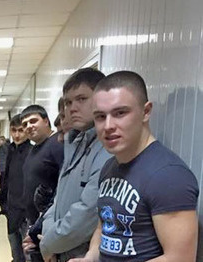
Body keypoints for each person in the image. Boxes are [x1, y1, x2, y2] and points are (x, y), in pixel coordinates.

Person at [69, 71, 199, 262]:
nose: (108, 126)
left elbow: (180, 258)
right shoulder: (109, 167)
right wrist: (91, 257)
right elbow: (104, 227)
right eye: (100, 117)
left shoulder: (168, 175)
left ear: (146, 112)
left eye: (120, 113)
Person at [33, 68, 111, 262]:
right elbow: (59, 200)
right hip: (61, 250)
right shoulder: (75, 143)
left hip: (83, 255)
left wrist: (48, 243)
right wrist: (49, 238)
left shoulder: (108, 148)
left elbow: (88, 213)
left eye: (81, 99)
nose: (72, 108)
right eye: (68, 102)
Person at [19, 105, 64, 262]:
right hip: (34, 223)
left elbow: (62, 187)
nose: (29, 126)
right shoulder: (34, 148)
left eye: (33, 121)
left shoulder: (57, 144)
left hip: (47, 225)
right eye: (25, 124)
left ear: (46, 121)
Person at [0, 114, 32, 262]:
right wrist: (3, 203)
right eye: (13, 130)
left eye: (21, 130)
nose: (17, 135)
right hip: (11, 211)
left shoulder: (32, 152)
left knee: (29, 255)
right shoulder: (10, 150)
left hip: (26, 214)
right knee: (16, 254)